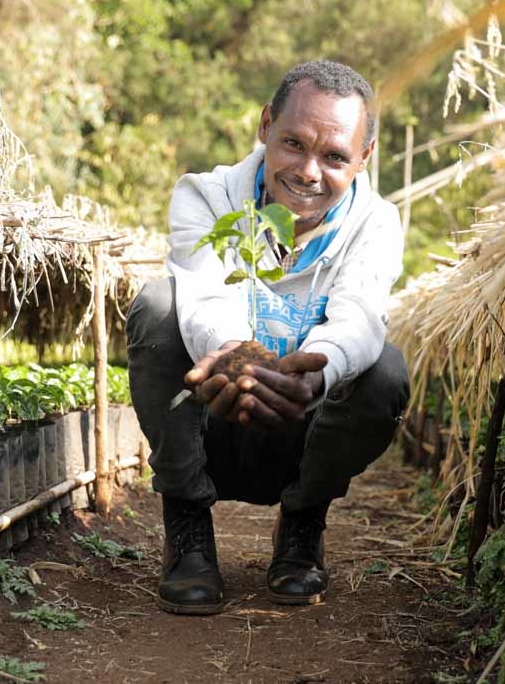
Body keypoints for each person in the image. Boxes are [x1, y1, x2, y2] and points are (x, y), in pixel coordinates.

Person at [126, 59, 410, 615]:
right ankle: (187, 526)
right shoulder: (205, 197)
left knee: (384, 370)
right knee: (158, 306)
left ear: (364, 158)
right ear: (264, 126)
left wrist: (320, 367)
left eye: (334, 157)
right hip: (215, 418)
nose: (308, 171)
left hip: (301, 426)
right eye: (293, 144)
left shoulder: (376, 224)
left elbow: (359, 315)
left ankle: (303, 521)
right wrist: (236, 354)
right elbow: (202, 290)